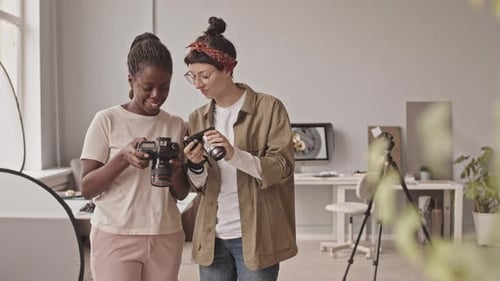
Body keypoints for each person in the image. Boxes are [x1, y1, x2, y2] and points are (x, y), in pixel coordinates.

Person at [182, 16, 297, 281]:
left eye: (205, 76)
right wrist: (196, 165)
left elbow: (283, 166)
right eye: (193, 76)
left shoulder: (269, 108)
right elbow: (198, 184)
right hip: (212, 237)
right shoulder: (197, 118)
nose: (198, 84)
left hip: (256, 235)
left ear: (228, 69)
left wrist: (235, 155)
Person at [80, 32, 190, 281]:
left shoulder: (176, 125)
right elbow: (86, 187)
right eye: (147, 87)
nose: (156, 96)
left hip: (166, 233)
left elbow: (181, 193)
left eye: (164, 87)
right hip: (115, 234)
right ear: (131, 81)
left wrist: (174, 171)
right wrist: (121, 158)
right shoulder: (106, 120)